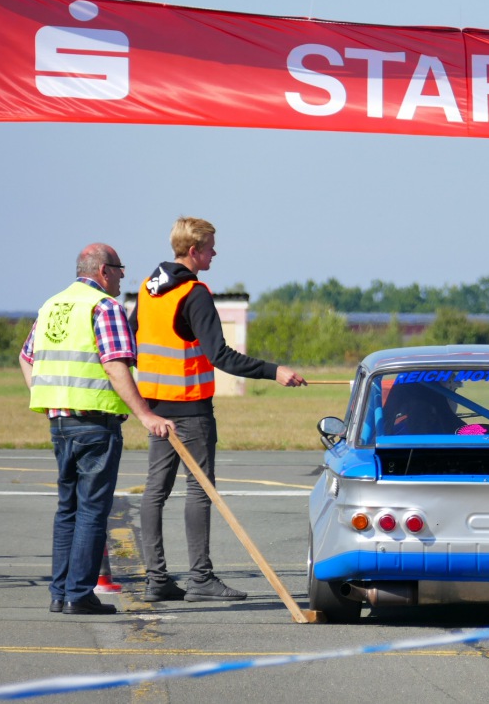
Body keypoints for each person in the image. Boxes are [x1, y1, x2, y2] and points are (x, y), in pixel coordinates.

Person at [130, 216, 306, 604]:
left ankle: (156, 578)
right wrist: (274, 371)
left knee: (155, 491)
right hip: (190, 410)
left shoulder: (147, 289)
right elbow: (220, 355)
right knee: (199, 489)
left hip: (155, 407)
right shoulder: (194, 293)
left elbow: (130, 339)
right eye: (210, 247)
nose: (215, 253)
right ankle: (200, 579)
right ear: (194, 251)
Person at [20, 244, 174, 616]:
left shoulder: (52, 306)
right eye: (120, 269)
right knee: (91, 510)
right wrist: (145, 415)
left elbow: (27, 358)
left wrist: (48, 397)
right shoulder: (104, 307)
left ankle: (60, 593)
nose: (124, 276)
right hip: (94, 423)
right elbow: (115, 365)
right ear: (104, 271)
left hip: (60, 422)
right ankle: (79, 594)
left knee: (67, 509)